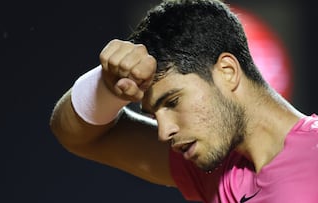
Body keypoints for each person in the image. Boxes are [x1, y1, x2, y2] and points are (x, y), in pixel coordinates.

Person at [49, 0, 318, 202]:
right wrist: (108, 86)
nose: (164, 132)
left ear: (227, 72)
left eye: (173, 102)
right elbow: (77, 135)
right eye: (156, 114)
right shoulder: (217, 168)